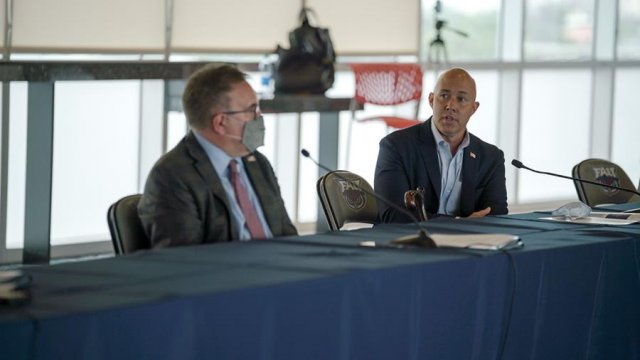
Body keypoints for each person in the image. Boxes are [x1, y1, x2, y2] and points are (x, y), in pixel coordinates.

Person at [139, 64, 297, 248]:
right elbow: (182, 262)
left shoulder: (258, 163)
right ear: (221, 122)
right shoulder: (172, 176)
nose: (259, 117)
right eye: (251, 110)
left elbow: (287, 234)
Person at [374, 67, 508, 222]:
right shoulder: (395, 147)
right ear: (431, 100)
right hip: (407, 243)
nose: (450, 106)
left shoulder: (490, 157)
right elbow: (393, 216)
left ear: (473, 108)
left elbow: (496, 216)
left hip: (468, 245)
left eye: (461, 99)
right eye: (444, 96)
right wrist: (459, 224)